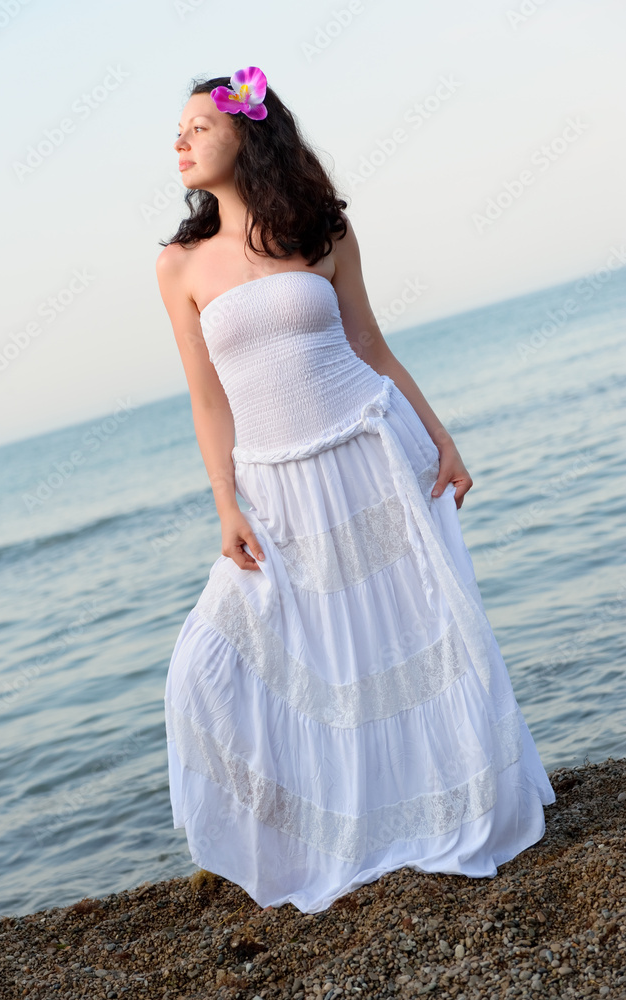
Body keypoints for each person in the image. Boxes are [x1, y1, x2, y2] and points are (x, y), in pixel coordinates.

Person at [156, 66, 556, 915]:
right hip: (275, 486)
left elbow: (371, 346)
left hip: (371, 453)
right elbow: (206, 398)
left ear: (247, 131)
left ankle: (437, 806)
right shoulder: (179, 265)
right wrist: (225, 504)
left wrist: (442, 441)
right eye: (179, 130)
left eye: (198, 124)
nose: (180, 141)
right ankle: (311, 832)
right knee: (215, 664)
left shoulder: (321, 230)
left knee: (408, 633)